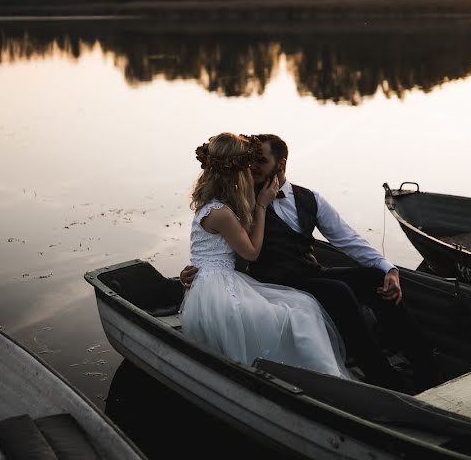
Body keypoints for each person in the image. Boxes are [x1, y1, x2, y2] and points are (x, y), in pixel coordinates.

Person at [182, 133, 442, 393]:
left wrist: (389, 269)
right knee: (339, 293)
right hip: (271, 281)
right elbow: (219, 243)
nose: (252, 167)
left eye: (260, 161)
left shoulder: (308, 198)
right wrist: (198, 271)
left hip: (309, 272)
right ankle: (385, 381)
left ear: (281, 164)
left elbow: (347, 239)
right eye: (250, 161)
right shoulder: (240, 200)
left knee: (374, 279)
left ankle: (427, 367)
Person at [178, 132, 354, 380]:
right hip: (217, 293)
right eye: (246, 164)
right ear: (236, 170)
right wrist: (261, 206)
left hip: (211, 285)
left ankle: (317, 376)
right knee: (300, 314)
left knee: (303, 305)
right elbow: (251, 252)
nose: (251, 169)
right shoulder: (221, 212)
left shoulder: (213, 205)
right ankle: (320, 379)